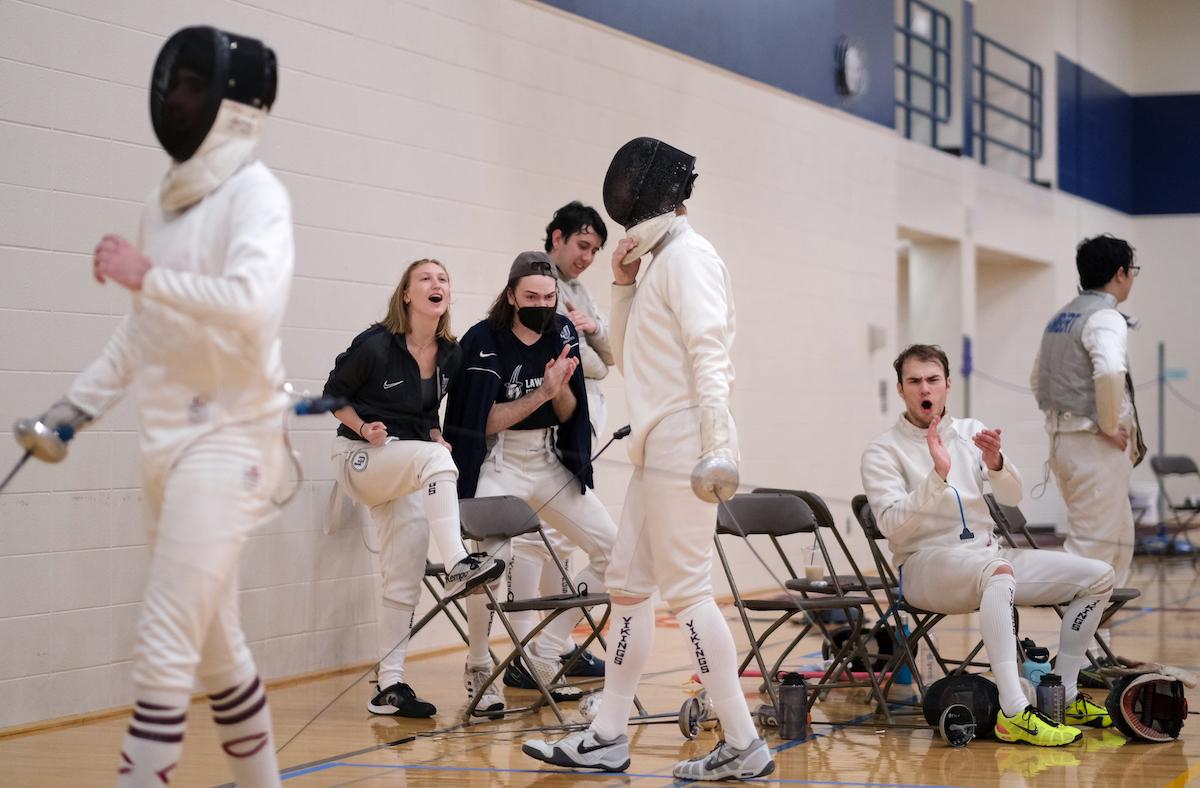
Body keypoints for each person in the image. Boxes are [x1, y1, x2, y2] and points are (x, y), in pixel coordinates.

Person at [28, 26, 291, 786]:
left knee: (165, 638)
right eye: (172, 86)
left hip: (234, 444)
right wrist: (72, 410)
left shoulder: (257, 196)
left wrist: (147, 275)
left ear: (232, 105)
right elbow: (144, 330)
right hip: (166, 448)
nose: (176, 99)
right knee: (214, 643)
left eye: (191, 87)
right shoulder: (164, 203)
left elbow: (250, 305)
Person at [523, 137, 774, 780]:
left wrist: (717, 440)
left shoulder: (689, 257)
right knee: (629, 586)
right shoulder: (656, 262)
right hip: (659, 440)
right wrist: (622, 288)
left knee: (688, 595)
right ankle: (607, 735)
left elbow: (709, 350)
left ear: (659, 189)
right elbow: (635, 362)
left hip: (689, 437)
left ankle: (744, 744)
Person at [861, 344, 1116, 747]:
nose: (924, 388)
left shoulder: (970, 432)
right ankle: (1014, 711)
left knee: (1098, 577)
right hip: (925, 567)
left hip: (987, 557)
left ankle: (1063, 692)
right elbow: (891, 525)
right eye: (914, 381)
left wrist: (997, 464)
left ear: (946, 385)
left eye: (932, 380)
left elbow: (1013, 497)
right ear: (900, 389)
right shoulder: (882, 450)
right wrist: (936, 477)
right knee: (997, 573)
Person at [322, 259, 504, 718]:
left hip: (404, 465)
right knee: (437, 460)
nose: (436, 284)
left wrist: (435, 432)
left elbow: (425, 412)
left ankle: (390, 686)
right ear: (406, 294)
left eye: (443, 278)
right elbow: (332, 395)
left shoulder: (450, 353)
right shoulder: (375, 345)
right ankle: (458, 562)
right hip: (360, 459)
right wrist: (364, 428)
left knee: (402, 575)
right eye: (425, 278)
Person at [445, 251, 617, 713]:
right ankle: (479, 663)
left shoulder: (562, 330)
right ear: (511, 296)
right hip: (499, 462)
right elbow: (477, 423)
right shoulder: (483, 340)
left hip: (547, 457)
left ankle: (545, 652)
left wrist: (559, 389)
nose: (541, 303)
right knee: (487, 565)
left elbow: (568, 414)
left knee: (616, 553)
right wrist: (541, 390)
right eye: (531, 297)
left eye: (548, 296)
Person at [504, 202, 613, 692]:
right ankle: (528, 653)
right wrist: (589, 348)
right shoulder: (541, 292)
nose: (587, 256)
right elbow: (587, 365)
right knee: (533, 538)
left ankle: (554, 647)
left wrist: (593, 330)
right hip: (540, 438)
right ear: (556, 237)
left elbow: (609, 357)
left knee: (566, 542)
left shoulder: (582, 294)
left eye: (594, 250)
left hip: (577, 433)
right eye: (581, 245)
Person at [1031, 234, 1146, 652]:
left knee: (1116, 545)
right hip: (1093, 449)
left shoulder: (1061, 317)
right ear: (1120, 273)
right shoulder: (1104, 318)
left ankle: (1097, 646)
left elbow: (1036, 379)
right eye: (1131, 270)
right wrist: (1106, 422)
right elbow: (1111, 372)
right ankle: (1074, 658)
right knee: (1091, 554)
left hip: (1067, 445)